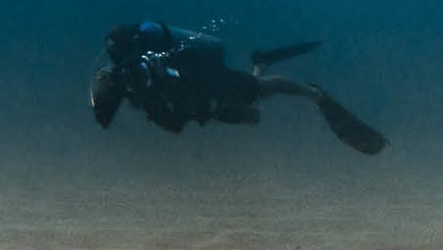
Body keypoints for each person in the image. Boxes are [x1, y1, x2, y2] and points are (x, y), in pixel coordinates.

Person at [90, 22, 387, 155]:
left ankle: (313, 94)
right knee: (254, 114)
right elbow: (169, 120)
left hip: (208, 81)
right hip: (203, 100)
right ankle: (261, 62)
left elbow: (170, 104)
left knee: (261, 89)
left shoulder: (145, 71)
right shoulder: (135, 79)